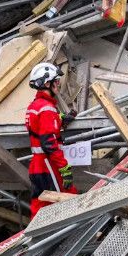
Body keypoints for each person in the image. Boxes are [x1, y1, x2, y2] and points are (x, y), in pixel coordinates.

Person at [25, 62, 77, 216]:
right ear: (47, 83)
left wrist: (60, 118)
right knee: (68, 199)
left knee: (40, 204)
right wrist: (64, 168)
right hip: (49, 164)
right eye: (56, 81)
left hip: (38, 165)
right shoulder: (46, 108)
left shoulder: (34, 106)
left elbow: (38, 126)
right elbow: (49, 142)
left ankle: (35, 236)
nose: (58, 85)